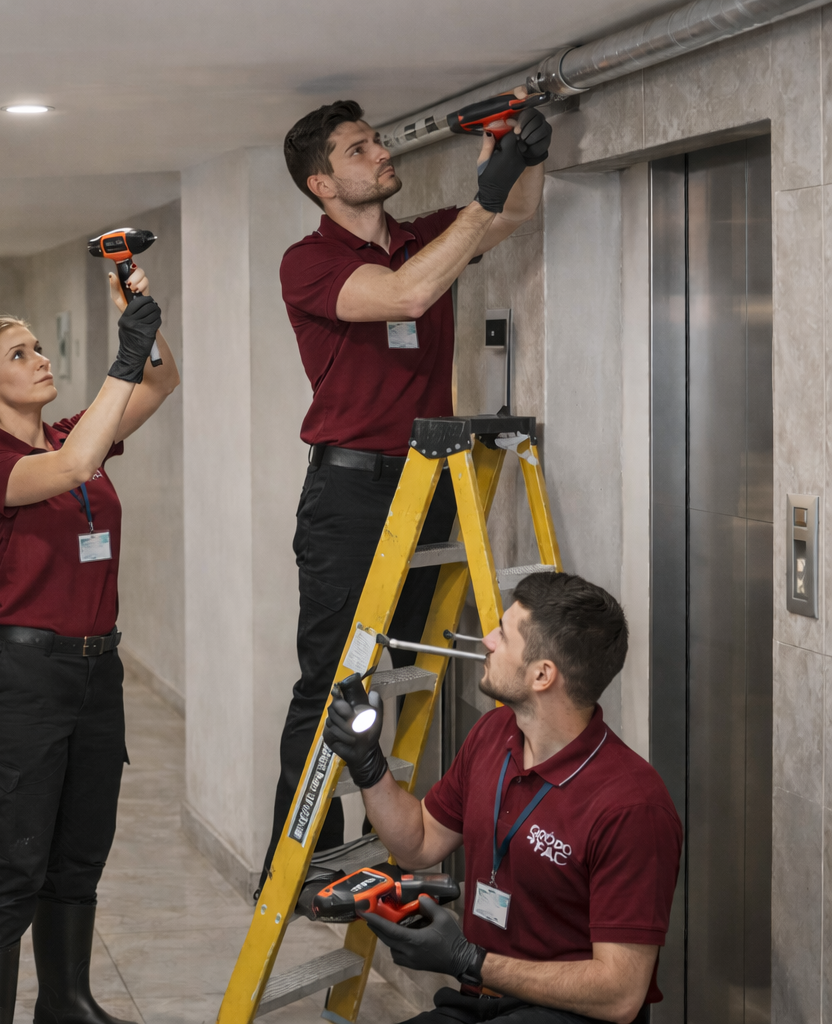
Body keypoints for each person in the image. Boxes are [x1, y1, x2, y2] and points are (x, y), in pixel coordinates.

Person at [263, 96, 553, 881]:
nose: (381, 153)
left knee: (395, 669)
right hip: (350, 491)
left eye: (378, 142)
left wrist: (520, 152)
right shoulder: (309, 262)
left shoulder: (423, 236)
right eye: (360, 150)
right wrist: (485, 193)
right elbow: (404, 296)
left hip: (429, 485)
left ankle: (383, 835)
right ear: (322, 182)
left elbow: (513, 213)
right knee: (334, 677)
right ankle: (304, 857)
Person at [0, 266, 179, 1024]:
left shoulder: (66, 434)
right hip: (20, 680)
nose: (40, 359)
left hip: (94, 673)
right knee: (13, 862)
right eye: (19, 355)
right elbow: (75, 468)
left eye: (39, 347)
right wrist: (122, 353)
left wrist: (140, 316)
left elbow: (162, 381)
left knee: (80, 851)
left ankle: (66, 1002)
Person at [324, 572, 681, 1024]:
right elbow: (418, 842)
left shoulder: (632, 806)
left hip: (569, 1016)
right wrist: (368, 767)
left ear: (542, 674)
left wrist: (468, 958)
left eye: (503, 634)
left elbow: (620, 993)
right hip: (479, 1001)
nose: (488, 640)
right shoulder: (494, 734)